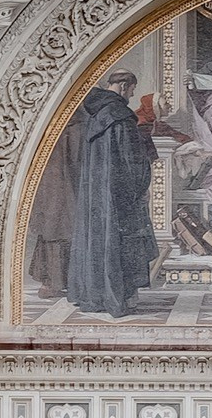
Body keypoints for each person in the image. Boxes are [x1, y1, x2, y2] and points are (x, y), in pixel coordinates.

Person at [64, 65, 156, 316]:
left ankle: (95, 295)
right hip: (119, 194)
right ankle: (118, 297)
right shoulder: (120, 116)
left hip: (96, 193)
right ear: (124, 86)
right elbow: (132, 160)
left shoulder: (94, 113)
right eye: (132, 91)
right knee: (121, 242)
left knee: (97, 240)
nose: (131, 97)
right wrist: (140, 187)